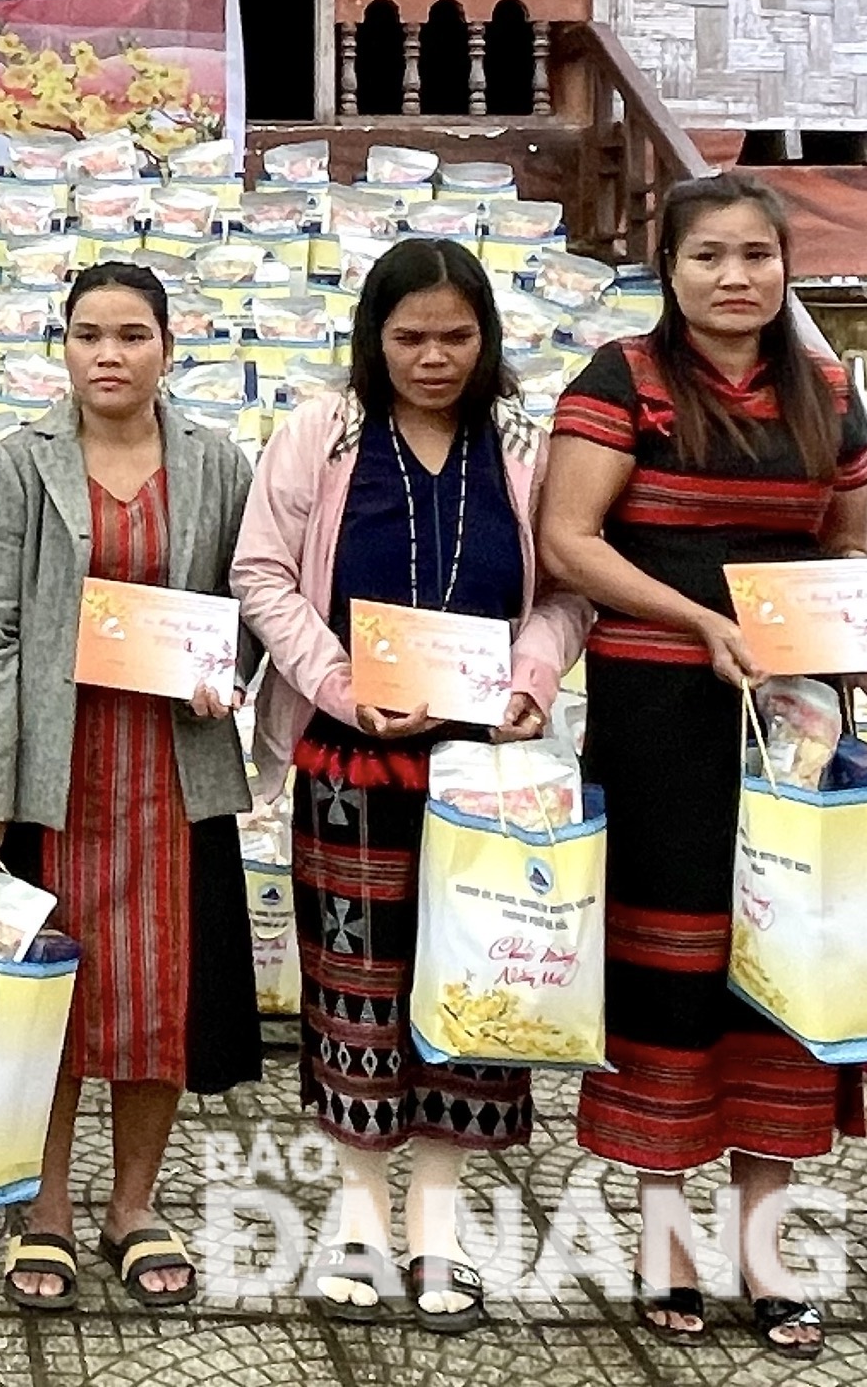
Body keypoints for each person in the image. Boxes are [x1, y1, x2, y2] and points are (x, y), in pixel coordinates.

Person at [541, 173, 867, 1356]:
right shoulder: (620, 383)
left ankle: (764, 1249)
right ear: (669, 266)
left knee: (778, 962)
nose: (733, 277)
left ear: (783, 269)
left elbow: (840, 553)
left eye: (756, 255)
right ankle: (664, 1244)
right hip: (657, 719)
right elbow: (570, 542)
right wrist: (699, 623)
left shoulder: (833, 395)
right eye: (708, 257)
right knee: (670, 966)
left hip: (788, 732)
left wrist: (860, 655)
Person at [233, 237, 588, 1333]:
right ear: (371, 339)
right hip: (353, 758)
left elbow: (569, 590)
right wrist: (338, 686)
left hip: (483, 772)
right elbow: (261, 574)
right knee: (355, 989)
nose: (433, 358)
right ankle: (353, 1219)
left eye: (455, 336)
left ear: (486, 337)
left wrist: (531, 678)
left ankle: (437, 1226)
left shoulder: (524, 442)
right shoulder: (321, 432)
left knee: (472, 982)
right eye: (408, 338)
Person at [0, 262, 263, 1313]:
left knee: (159, 996)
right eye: (88, 335)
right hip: (59, 773)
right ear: (63, 347)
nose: (109, 355)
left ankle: (133, 1202)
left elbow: (248, 607)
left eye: (131, 334)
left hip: (171, 771)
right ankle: (45, 1207)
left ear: (168, 345)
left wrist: (231, 676)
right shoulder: (15, 467)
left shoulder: (217, 463)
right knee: (53, 996)